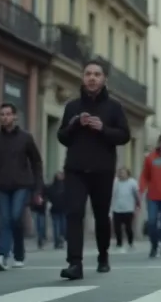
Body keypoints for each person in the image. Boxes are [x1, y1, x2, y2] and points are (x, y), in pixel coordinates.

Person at [57, 60, 132, 280]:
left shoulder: (114, 107)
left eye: (97, 74)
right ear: (82, 78)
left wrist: (103, 128)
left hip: (102, 170)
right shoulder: (72, 106)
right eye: (88, 74)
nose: (92, 78)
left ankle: (103, 255)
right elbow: (61, 137)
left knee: (101, 216)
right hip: (75, 170)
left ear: (104, 79)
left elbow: (124, 135)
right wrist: (74, 124)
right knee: (74, 213)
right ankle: (75, 264)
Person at [0, 103, 44, 271]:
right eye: (2, 114)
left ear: (15, 117)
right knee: (5, 219)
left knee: (15, 217)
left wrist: (38, 188)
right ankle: (2, 255)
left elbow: (36, 162)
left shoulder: (25, 138)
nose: (5, 117)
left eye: (8, 114)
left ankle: (19, 253)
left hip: (22, 184)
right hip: (0, 186)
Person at [111, 167, 139, 253]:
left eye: (123, 173)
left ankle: (130, 242)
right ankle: (119, 243)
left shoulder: (132, 183)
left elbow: (136, 194)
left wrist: (137, 204)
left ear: (128, 174)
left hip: (128, 209)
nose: (121, 174)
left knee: (128, 227)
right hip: (117, 208)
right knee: (117, 228)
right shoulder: (115, 182)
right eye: (120, 173)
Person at [46, 171, 67, 249]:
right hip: (59, 209)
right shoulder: (65, 186)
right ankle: (58, 241)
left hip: (60, 209)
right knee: (59, 226)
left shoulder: (65, 186)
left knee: (60, 226)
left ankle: (58, 241)